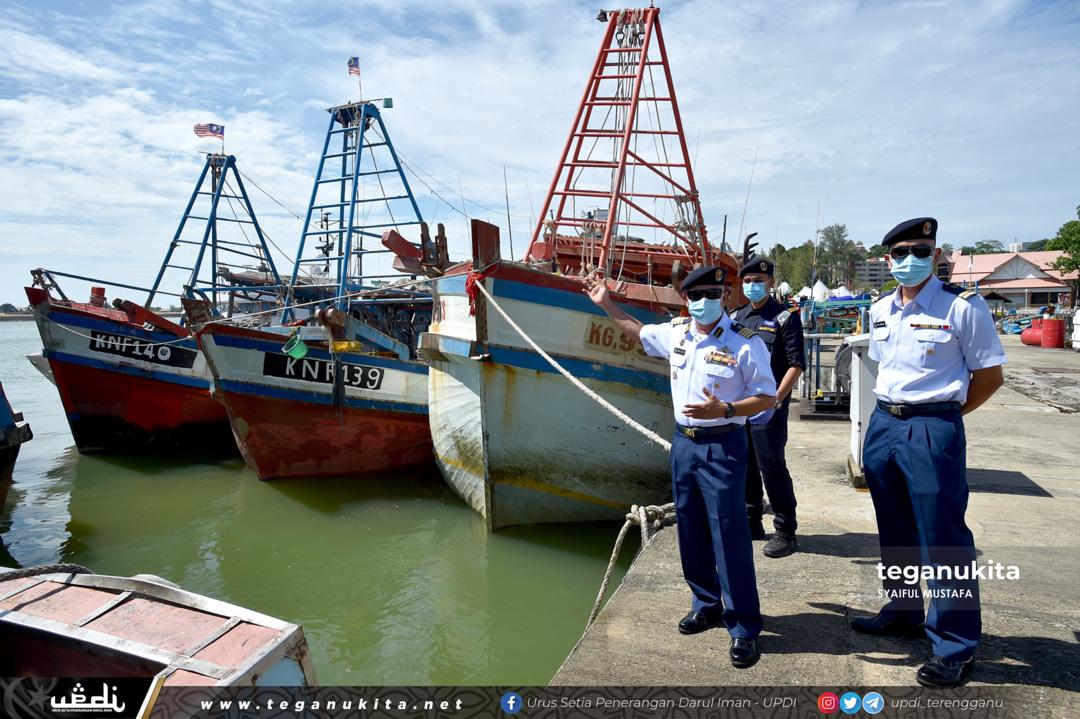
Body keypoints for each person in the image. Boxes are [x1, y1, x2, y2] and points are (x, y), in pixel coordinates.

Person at [585, 266, 777, 668]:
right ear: (686, 300)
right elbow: (636, 330)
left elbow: (766, 398)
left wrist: (724, 408)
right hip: (684, 445)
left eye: (710, 294)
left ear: (725, 296)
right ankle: (705, 603)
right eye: (694, 296)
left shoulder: (745, 343)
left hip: (723, 443)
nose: (701, 302)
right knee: (689, 528)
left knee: (728, 534)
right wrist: (605, 303)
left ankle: (743, 626)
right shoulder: (678, 333)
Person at [853, 217, 1006, 688]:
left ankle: (955, 645)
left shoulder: (962, 308)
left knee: (942, 538)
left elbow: (989, 376)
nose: (909, 259)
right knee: (894, 527)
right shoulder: (880, 310)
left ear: (937, 254)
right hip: (884, 424)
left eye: (920, 249)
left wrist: (946, 416)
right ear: (887, 260)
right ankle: (902, 610)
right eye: (899, 253)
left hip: (932, 426)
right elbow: (884, 365)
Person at [733, 256, 806, 558]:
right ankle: (751, 521)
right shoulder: (738, 316)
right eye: (747, 282)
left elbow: (795, 363)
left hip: (770, 406)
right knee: (745, 464)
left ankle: (786, 529)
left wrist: (776, 399)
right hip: (743, 404)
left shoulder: (785, 317)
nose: (752, 286)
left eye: (758, 281)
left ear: (771, 283)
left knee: (770, 465)